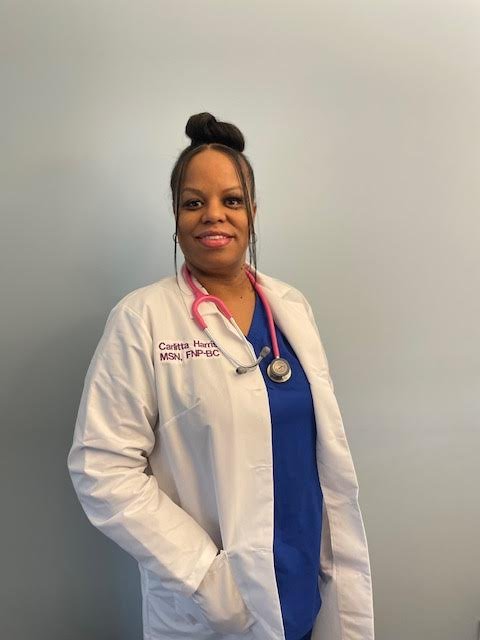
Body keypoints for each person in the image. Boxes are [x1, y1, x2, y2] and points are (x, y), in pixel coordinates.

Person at [67, 112, 374, 640]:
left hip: (304, 581)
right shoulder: (142, 319)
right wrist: (207, 577)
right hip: (214, 606)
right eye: (194, 202)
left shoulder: (291, 307)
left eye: (232, 200)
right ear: (176, 215)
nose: (214, 215)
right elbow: (101, 468)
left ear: (253, 211)